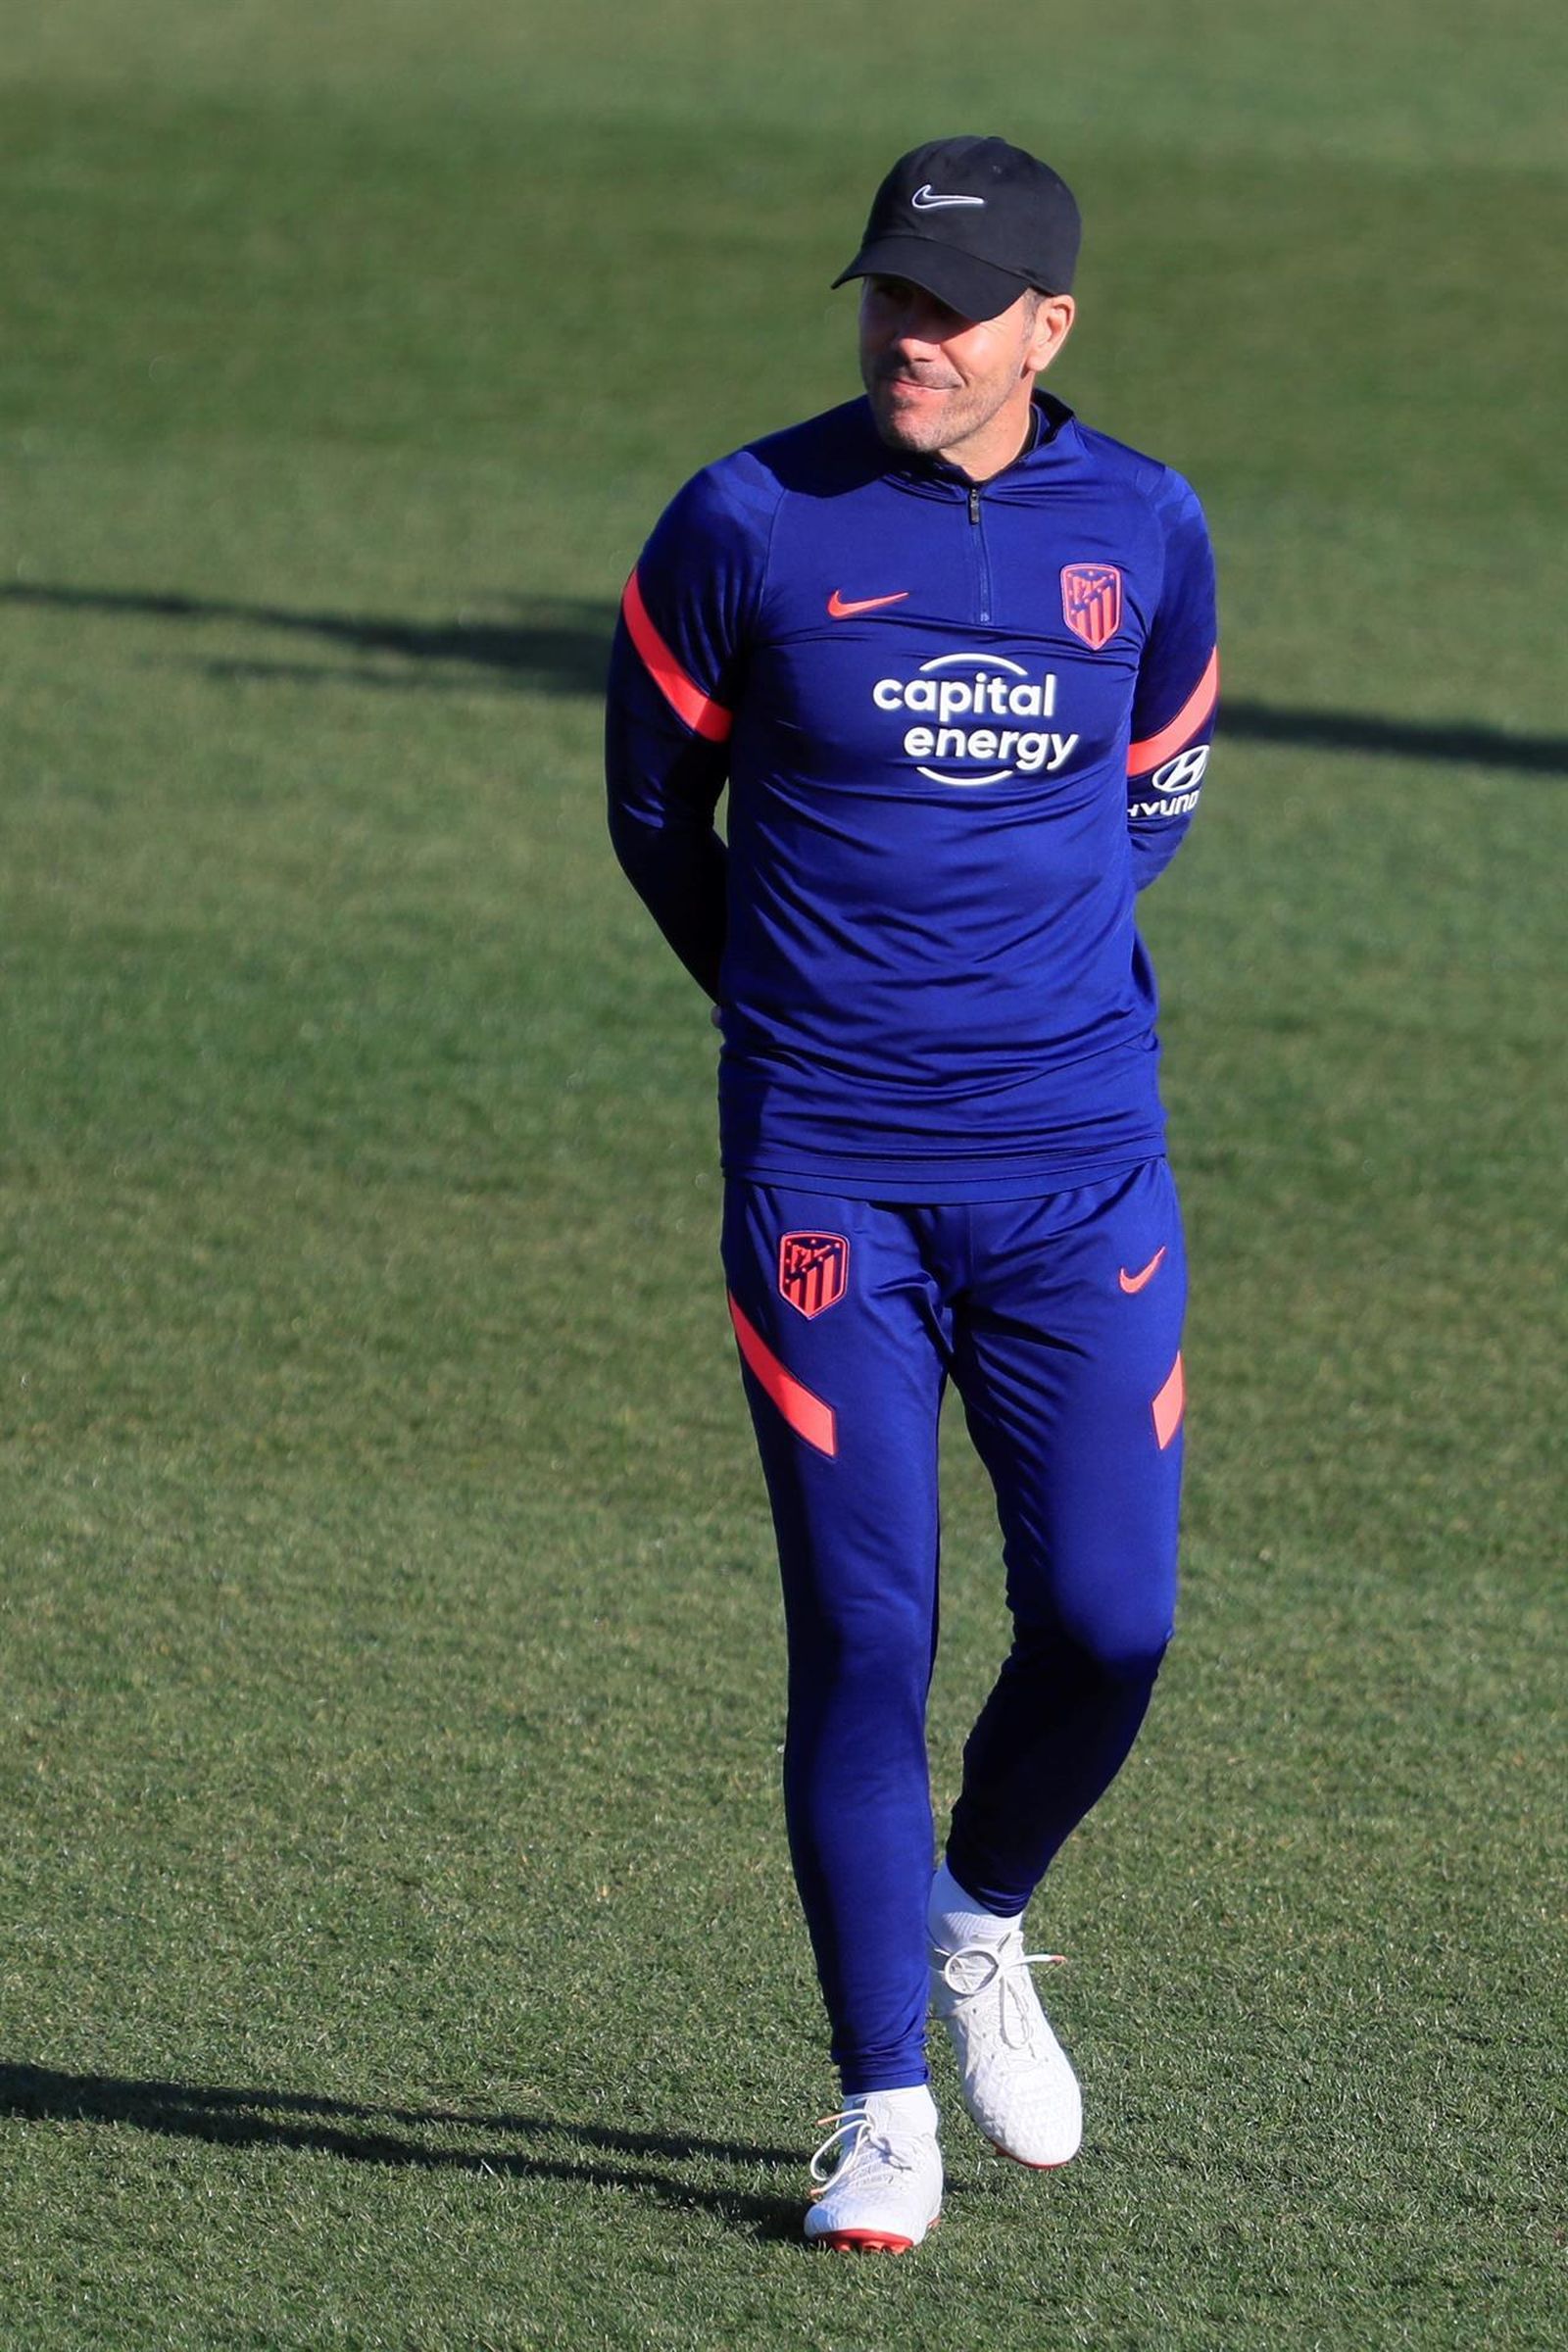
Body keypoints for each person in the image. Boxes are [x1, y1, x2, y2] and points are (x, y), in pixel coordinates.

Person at [605, 134, 1218, 2253]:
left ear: (1049, 326)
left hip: (1075, 1170)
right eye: (887, 296)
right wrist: (809, 1011)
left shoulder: (1144, 527)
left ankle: (980, 1917)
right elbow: (653, 809)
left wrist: (1015, 985)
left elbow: (1155, 787)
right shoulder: (745, 519)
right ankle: (878, 2102)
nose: (908, 337)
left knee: (1113, 1621)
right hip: (827, 1181)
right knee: (868, 1633)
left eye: (952, 311)